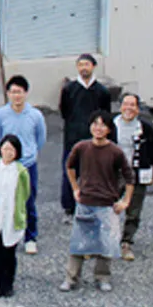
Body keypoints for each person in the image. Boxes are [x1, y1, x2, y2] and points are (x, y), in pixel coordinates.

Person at [60, 111, 134, 292]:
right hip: (85, 201)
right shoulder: (81, 147)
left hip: (107, 204)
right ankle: (71, 278)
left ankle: (102, 277)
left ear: (109, 129)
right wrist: (75, 188)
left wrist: (125, 201)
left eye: (102, 124)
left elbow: (129, 177)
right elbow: (69, 166)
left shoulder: (115, 151)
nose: (98, 128)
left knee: (106, 244)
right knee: (78, 243)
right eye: (95, 123)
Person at [0, 76, 47, 254]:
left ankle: (30, 237)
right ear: (8, 94)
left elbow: (40, 138)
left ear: (26, 93)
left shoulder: (35, 115)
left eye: (20, 92)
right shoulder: (1, 115)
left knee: (28, 201)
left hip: (28, 165)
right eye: (13, 92)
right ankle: (6, 235)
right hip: (8, 164)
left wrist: (30, 153)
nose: (16, 96)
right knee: (5, 199)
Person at [58, 54, 112, 220]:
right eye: (80, 65)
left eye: (87, 64)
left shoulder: (102, 91)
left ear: (93, 66)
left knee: (94, 174)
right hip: (72, 138)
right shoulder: (69, 89)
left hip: (94, 140)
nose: (83, 68)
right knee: (71, 172)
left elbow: (106, 115)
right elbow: (64, 111)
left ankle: (93, 206)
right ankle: (69, 208)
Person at [114, 92, 153, 261]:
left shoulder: (145, 128)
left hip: (137, 173)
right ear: (120, 106)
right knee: (106, 206)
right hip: (114, 173)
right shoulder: (111, 125)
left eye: (132, 105)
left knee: (133, 210)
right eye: (125, 104)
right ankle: (104, 240)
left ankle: (126, 242)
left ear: (138, 108)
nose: (128, 108)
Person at [0, 134, 32, 299]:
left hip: (12, 217)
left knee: (10, 252)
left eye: (12, 149)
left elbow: (25, 193)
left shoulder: (21, 171)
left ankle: (9, 285)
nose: (8, 152)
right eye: (5, 148)